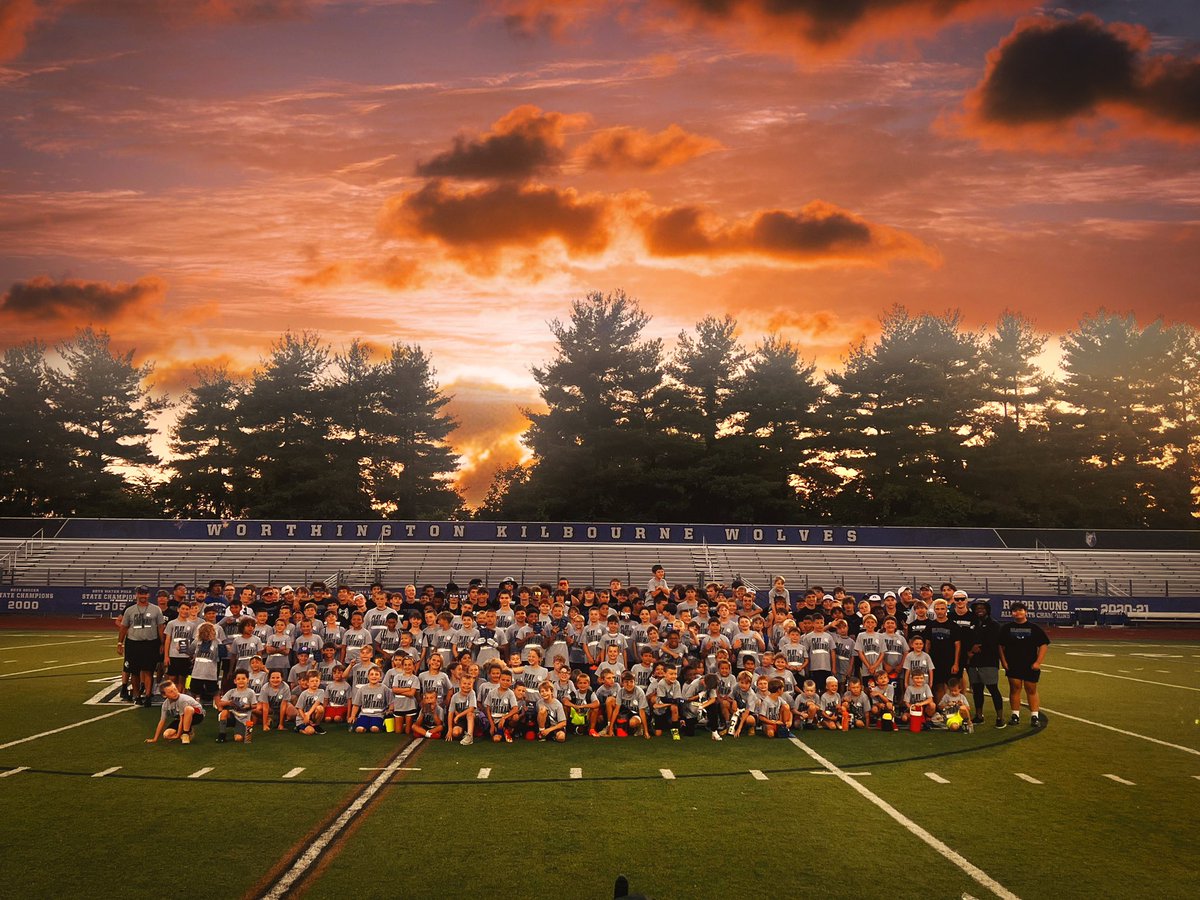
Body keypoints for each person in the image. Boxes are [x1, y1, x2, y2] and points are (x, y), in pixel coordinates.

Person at [999, 601, 1051, 728]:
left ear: (1026, 612)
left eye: (1020, 610)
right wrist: (1004, 661)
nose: (1018, 613)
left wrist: (1038, 662)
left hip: (1030, 664)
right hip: (1013, 664)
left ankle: (1034, 716)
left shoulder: (1034, 628)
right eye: (1015, 611)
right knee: (1015, 688)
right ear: (1011, 613)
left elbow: (1044, 645)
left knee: (1031, 689)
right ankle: (1015, 715)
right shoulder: (1006, 628)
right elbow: (1000, 646)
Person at [118, 586, 167, 707]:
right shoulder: (130, 610)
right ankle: (137, 696)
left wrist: (162, 643)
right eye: (141, 593)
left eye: (145, 593)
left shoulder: (156, 610)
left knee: (149, 671)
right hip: (133, 643)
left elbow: (160, 627)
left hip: (150, 643)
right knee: (134, 672)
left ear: (149, 595)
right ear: (136, 595)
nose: (143, 596)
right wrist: (120, 643)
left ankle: (148, 695)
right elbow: (123, 627)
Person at [965, 600, 1005, 728]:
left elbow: (994, 643)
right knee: (977, 689)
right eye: (977, 608)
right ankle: (979, 715)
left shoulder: (994, 625)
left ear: (987, 609)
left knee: (993, 689)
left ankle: (1000, 717)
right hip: (974, 662)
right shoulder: (973, 623)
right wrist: (971, 651)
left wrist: (977, 649)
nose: (979, 610)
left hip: (988, 661)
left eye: (982, 608)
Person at [216, 671, 258, 743]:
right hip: (232, 716)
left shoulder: (251, 692)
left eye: (243, 678)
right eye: (238, 679)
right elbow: (220, 703)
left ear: (247, 680)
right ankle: (222, 736)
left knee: (238, 739)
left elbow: (255, 705)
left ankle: (241, 731)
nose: (241, 681)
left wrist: (248, 706)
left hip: (244, 719)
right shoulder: (231, 692)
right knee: (224, 712)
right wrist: (229, 703)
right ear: (235, 681)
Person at [349, 665, 389, 733]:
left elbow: (391, 702)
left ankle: (379, 726)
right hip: (364, 714)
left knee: (374, 729)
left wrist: (389, 711)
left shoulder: (384, 688)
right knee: (359, 730)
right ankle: (360, 725)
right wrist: (352, 716)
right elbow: (356, 705)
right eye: (372, 674)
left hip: (378, 715)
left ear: (380, 677)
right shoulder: (362, 689)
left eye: (376, 674)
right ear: (368, 676)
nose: (374, 676)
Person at [447, 676, 477, 745]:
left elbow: (471, 708)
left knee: (469, 714)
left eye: (469, 684)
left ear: (472, 685)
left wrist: (458, 715)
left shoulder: (472, 693)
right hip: (461, 720)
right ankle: (464, 733)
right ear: (460, 684)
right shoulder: (455, 696)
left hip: (472, 718)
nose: (466, 686)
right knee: (455, 733)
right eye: (464, 683)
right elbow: (450, 713)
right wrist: (450, 729)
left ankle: (470, 736)